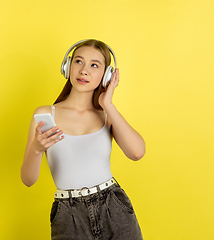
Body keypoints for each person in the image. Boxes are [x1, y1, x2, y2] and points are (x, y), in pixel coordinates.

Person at [21, 39, 145, 239]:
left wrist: (108, 104)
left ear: (106, 76)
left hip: (113, 208)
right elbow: (28, 180)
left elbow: (137, 152)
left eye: (94, 65)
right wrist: (36, 149)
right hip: (68, 215)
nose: (84, 70)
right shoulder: (45, 114)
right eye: (79, 62)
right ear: (67, 67)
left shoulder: (106, 115)